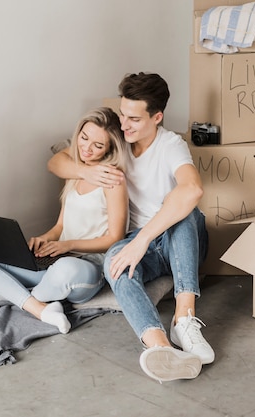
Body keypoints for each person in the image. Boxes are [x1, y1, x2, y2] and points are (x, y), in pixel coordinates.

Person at [48, 73, 213, 382]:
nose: (124, 125)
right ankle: (161, 347)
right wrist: (88, 171)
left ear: (157, 117)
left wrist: (143, 239)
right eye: (122, 114)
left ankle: (184, 319)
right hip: (143, 245)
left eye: (134, 119)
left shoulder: (170, 145)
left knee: (184, 213)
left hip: (180, 239)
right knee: (114, 262)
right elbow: (56, 162)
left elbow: (193, 190)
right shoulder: (121, 137)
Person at [0, 107, 128, 335]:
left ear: (110, 148)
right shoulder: (75, 172)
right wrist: (44, 239)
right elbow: (61, 226)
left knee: (64, 269)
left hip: (87, 267)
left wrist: (68, 245)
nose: (87, 148)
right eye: (84, 138)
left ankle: (10, 293)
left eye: (98, 145)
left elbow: (115, 238)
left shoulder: (113, 179)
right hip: (55, 261)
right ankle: (41, 309)